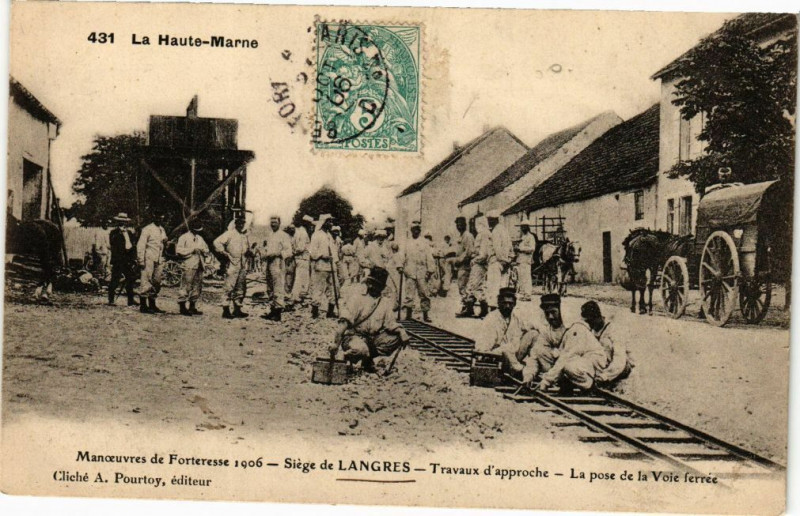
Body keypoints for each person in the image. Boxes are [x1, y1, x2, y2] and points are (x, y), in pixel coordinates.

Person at [328, 266, 410, 373]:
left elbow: (391, 324)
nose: (374, 287)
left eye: (378, 285)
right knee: (361, 349)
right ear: (368, 283)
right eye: (372, 283)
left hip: (372, 339)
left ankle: (367, 360)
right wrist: (335, 344)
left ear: (382, 287)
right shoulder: (357, 298)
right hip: (353, 337)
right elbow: (343, 323)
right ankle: (347, 358)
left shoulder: (384, 302)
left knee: (396, 338)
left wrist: (402, 332)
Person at [534, 300, 608, 393]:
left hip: (593, 363)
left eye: (554, 312)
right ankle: (568, 382)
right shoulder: (570, 329)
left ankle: (590, 385)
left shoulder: (577, 329)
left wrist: (546, 381)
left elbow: (566, 357)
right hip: (583, 362)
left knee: (568, 366)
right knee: (553, 357)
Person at [510, 293, 568, 385]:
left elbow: (568, 356)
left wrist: (548, 379)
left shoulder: (570, 328)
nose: (550, 317)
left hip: (574, 366)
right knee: (539, 350)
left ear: (560, 311)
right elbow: (535, 356)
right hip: (557, 369)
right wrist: (528, 376)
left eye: (553, 312)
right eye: (547, 313)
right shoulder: (547, 331)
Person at [580, 301, 634, 388]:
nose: (589, 325)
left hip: (621, 368)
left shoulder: (614, 330)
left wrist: (605, 376)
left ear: (598, 317)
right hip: (603, 366)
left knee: (605, 344)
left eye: (590, 322)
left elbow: (619, 360)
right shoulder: (591, 329)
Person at [474, 287, 534, 357]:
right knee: (508, 347)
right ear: (498, 303)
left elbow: (531, 326)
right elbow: (483, 346)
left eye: (510, 303)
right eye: (504, 303)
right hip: (495, 355)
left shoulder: (516, 317)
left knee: (533, 334)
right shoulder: (491, 318)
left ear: (514, 304)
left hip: (512, 354)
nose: (507, 306)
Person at [214, 215, 250, 319]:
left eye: (243, 223)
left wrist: (249, 252)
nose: (241, 225)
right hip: (232, 263)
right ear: (235, 224)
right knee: (229, 287)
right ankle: (226, 310)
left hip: (242, 264)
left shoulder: (244, 236)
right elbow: (217, 242)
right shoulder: (229, 234)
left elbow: (246, 249)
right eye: (239, 223)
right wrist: (224, 253)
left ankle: (237, 309)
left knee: (240, 287)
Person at [400, 220, 435, 322]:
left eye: (418, 229)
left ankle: (425, 314)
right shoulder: (407, 242)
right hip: (410, 271)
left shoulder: (425, 243)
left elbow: (429, 257)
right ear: (411, 230)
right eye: (414, 229)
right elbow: (402, 255)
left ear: (420, 230)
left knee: (424, 293)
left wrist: (430, 269)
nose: (416, 231)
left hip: (422, 272)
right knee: (409, 294)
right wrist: (400, 266)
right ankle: (408, 315)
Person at [262, 215, 293, 321]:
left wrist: (277, 253)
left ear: (279, 223)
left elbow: (289, 251)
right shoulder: (270, 235)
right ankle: (272, 310)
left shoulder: (284, 236)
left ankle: (278, 312)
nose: (273, 224)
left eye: (275, 222)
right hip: (269, 262)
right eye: (271, 222)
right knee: (270, 287)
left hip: (278, 262)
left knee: (278, 287)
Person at [136, 212, 168, 314]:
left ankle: (152, 304)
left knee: (156, 282)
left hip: (158, 258)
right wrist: (141, 260)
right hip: (148, 257)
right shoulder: (147, 229)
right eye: (158, 218)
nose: (160, 220)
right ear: (154, 218)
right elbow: (141, 245)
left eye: (162, 218)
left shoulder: (162, 229)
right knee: (146, 280)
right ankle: (143, 305)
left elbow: (163, 242)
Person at [175, 220, 209, 316]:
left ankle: (192, 306)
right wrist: (192, 250)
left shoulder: (200, 238)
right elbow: (179, 250)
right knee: (186, 285)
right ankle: (182, 306)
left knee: (197, 285)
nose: (197, 232)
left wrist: (203, 250)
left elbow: (206, 249)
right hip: (189, 263)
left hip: (199, 264)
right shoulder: (184, 237)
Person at [309, 214, 338, 319]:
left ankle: (330, 312)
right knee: (318, 289)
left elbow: (334, 252)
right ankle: (315, 311)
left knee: (334, 289)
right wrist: (322, 256)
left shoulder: (329, 236)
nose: (331, 224)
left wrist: (335, 262)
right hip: (321, 266)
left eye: (331, 222)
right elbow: (312, 252)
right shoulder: (316, 235)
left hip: (331, 267)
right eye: (329, 222)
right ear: (323, 223)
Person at [107, 212, 138, 306]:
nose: (123, 224)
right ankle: (111, 299)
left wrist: (133, 259)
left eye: (124, 222)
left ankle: (130, 300)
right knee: (115, 279)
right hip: (118, 260)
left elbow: (133, 246)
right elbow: (113, 245)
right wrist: (120, 233)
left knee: (130, 279)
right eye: (121, 222)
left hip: (128, 260)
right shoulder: (114, 233)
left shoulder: (129, 233)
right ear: (117, 222)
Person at [486, 210, 513, 311]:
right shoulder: (505, 230)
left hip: (496, 262)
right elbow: (510, 247)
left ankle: (494, 309)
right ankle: (501, 309)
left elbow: (497, 249)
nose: (489, 223)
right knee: (502, 286)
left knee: (493, 286)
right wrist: (508, 260)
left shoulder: (496, 231)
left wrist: (503, 260)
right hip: (504, 263)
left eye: (489, 220)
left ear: (494, 220)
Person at [465, 216, 492, 318]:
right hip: (480, 263)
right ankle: (470, 309)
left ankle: (483, 310)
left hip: (480, 264)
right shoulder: (485, 234)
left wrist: (474, 260)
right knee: (474, 286)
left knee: (475, 286)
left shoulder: (483, 234)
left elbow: (483, 253)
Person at [453, 216, 475, 317]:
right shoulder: (461, 236)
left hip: (465, 265)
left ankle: (468, 308)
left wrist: (459, 260)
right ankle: (467, 307)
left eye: (461, 224)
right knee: (462, 287)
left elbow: (469, 252)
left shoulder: (468, 236)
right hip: (461, 266)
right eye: (457, 224)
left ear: (465, 224)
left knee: (464, 287)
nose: (459, 226)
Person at [291, 215, 312, 304]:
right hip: (303, 258)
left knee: (299, 278)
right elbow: (301, 247)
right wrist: (295, 252)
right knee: (301, 278)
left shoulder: (298, 231)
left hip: (299, 258)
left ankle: (298, 296)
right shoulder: (303, 233)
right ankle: (296, 296)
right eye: (309, 224)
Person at [515, 217, 537, 301]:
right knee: (521, 278)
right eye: (522, 227)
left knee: (526, 278)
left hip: (526, 260)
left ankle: (527, 295)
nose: (522, 228)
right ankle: (523, 293)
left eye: (524, 227)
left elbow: (532, 248)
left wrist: (521, 249)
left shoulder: (530, 237)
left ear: (528, 227)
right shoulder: (523, 237)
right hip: (520, 260)